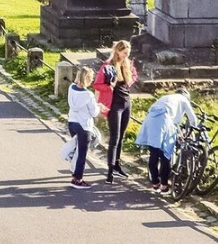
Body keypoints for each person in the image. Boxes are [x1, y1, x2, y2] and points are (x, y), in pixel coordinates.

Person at [136, 89, 197, 193]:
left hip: (150, 119)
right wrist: (192, 131)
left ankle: (155, 182)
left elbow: (173, 120)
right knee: (165, 154)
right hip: (164, 121)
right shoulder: (184, 100)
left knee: (154, 153)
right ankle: (164, 185)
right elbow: (192, 118)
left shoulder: (166, 98)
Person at [97, 39, 138, 183]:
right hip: (114, 104)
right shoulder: (107, 66)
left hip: (126, 102)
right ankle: (109, 170)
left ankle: (117, 165)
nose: (126, 56)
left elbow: (134, 76)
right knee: (114, 137)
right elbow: (97, 84)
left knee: (121, 137)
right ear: (118, 51)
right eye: (124, 53)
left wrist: (129, 82)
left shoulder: (128, 64)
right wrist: (109, 87)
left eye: (128, 53)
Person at [66, 66, 100, 188]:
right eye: (91, 78)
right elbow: (94, 112)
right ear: (87, 78)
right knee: (82, 154)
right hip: (84, 126)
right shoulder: (88, 95)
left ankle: (74, 174)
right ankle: (78, 179)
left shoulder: (71, 88)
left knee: (77, 150)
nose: (91, 81)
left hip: (72, 122)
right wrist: (99, 105)